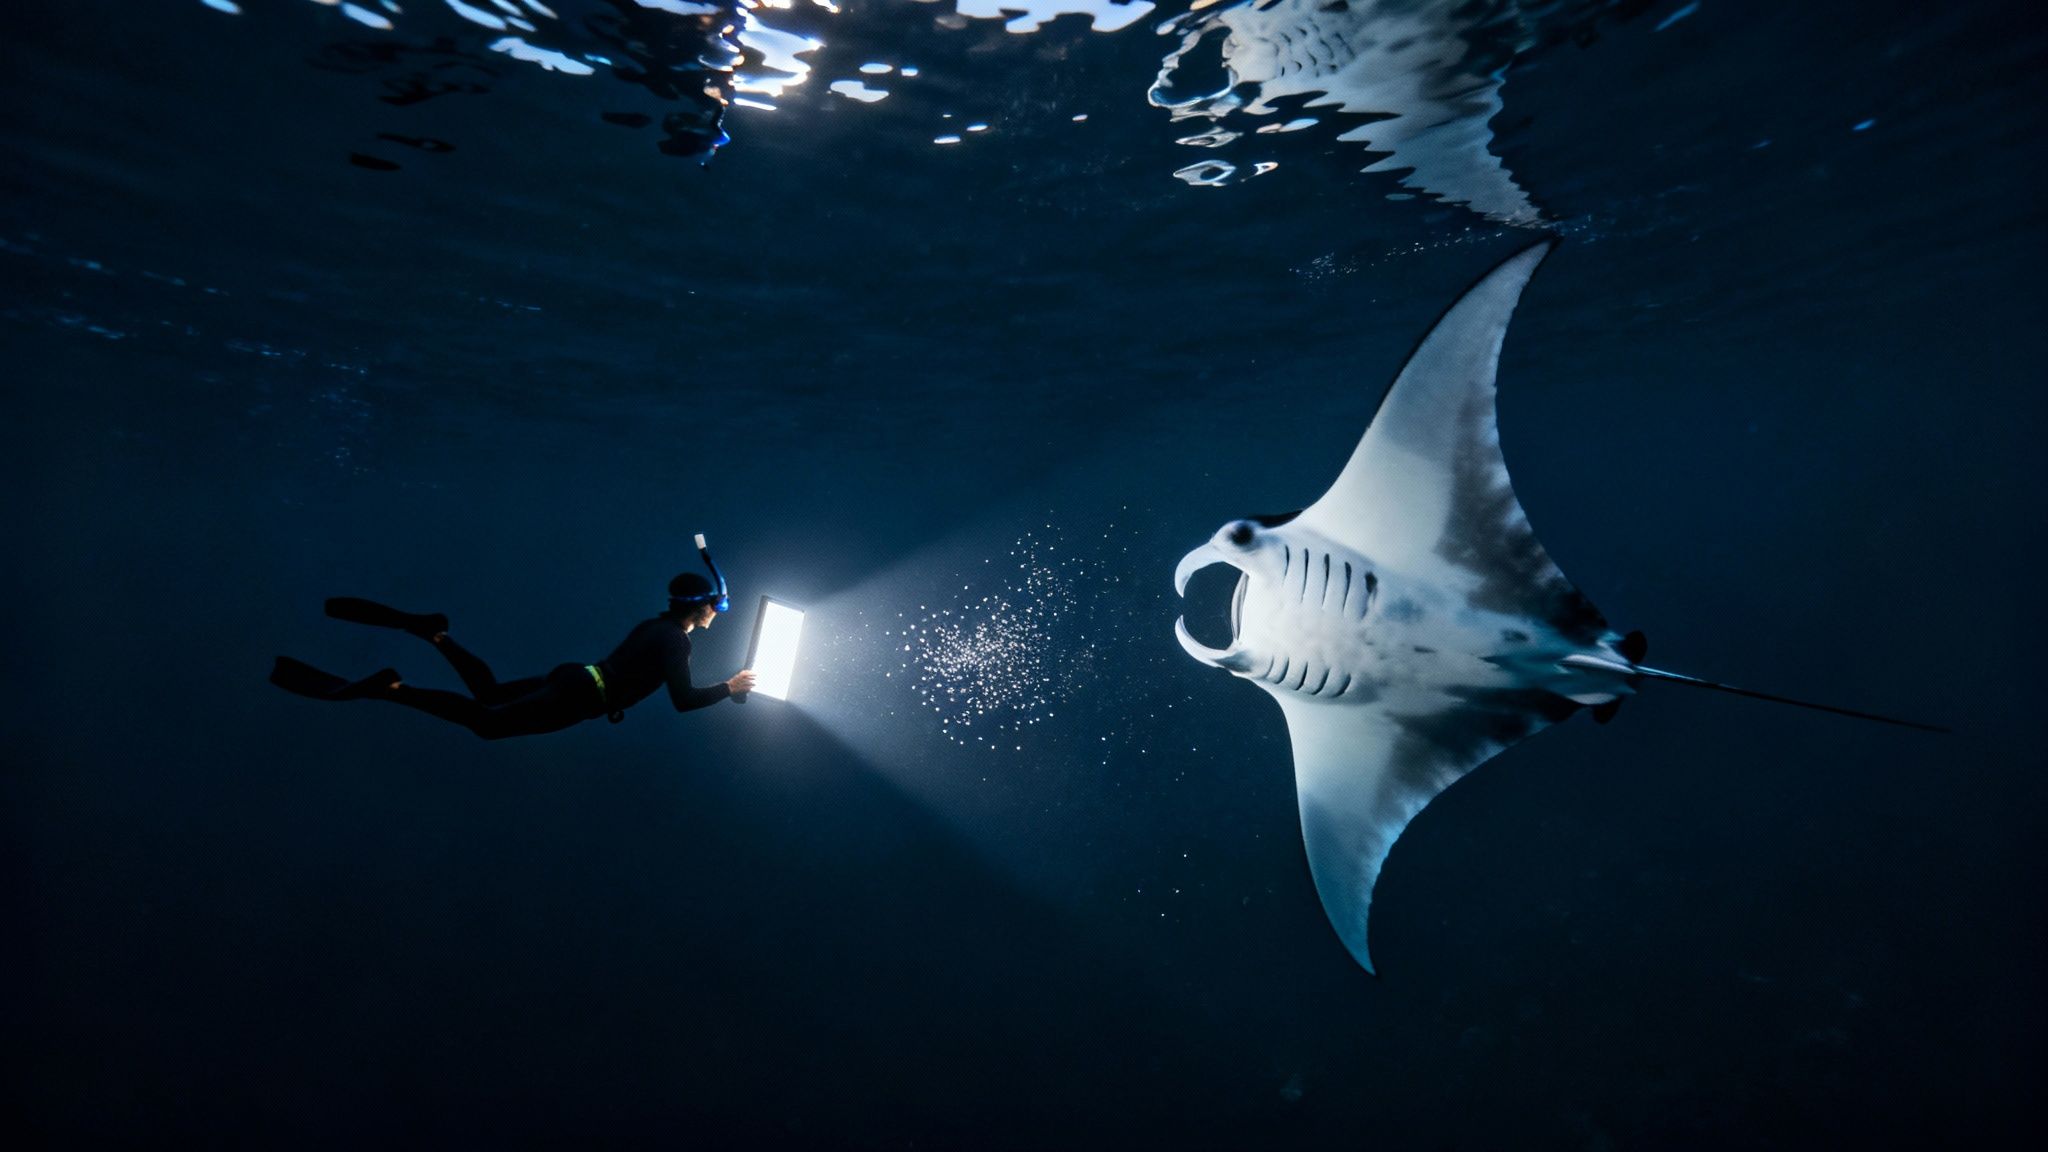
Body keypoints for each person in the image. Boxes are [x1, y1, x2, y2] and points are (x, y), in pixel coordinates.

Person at [271, 548, 756, 739]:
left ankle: (434, 633)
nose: (718, 613)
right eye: (717, 605)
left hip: (578, 678)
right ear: (700, 606)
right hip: (582, 695)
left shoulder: (657, 626)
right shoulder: (676, 643)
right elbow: (684, 701)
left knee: (489, 692)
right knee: (487, 724)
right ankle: (392, 688)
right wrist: (730, 687)